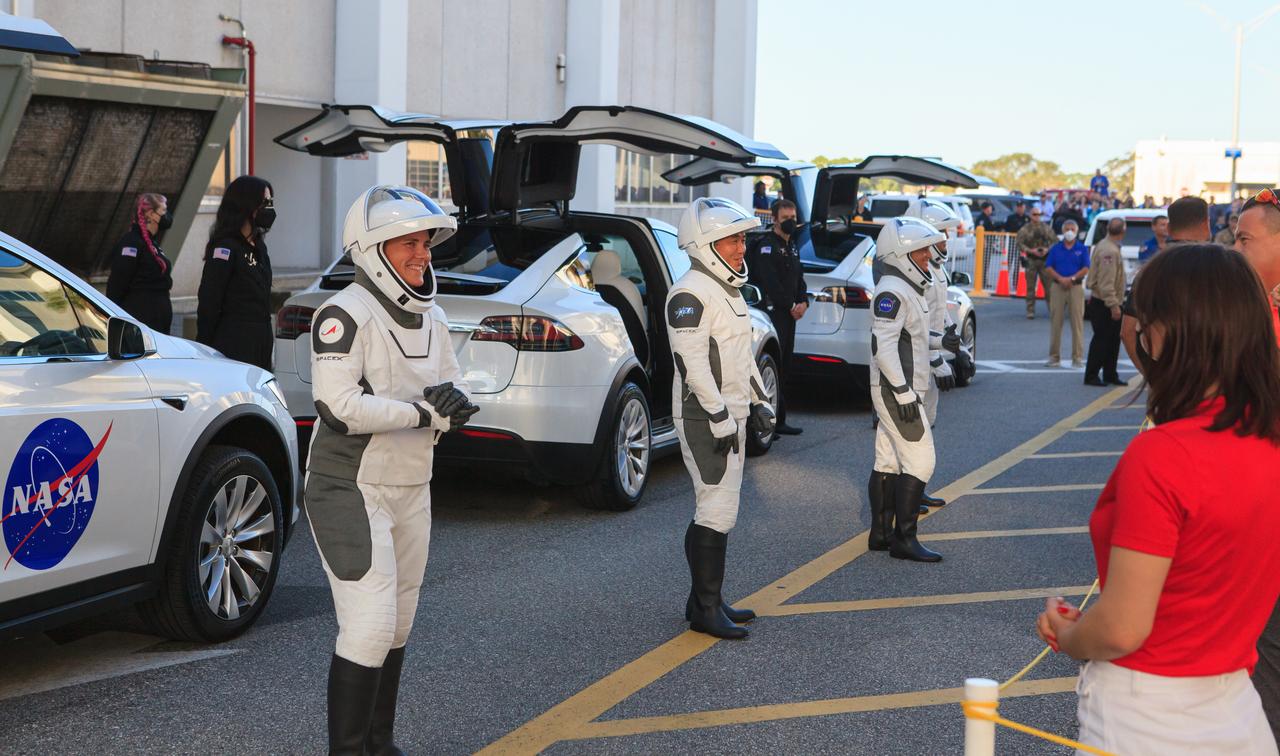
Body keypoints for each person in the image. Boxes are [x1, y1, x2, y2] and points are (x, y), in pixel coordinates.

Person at [1035, 243, 1280, 755]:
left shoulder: (1164, 453)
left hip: (1146, 712)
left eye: (1141, 317)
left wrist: (1069, 634)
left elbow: (1122, 627)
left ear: (1170, 330)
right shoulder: (1268, 440)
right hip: (1237, 706)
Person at [308, 185, 479, 754]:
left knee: (399, 626)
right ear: (372, 250)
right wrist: (422, 412)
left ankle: (379, 744)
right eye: (407, 242)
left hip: (412, 484)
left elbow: (451, 387)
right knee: (371, 627)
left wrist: (455, 408)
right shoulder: (342, 314)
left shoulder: (434, 317)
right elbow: (337, 407)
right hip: (349, 487)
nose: (422, 254)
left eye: (425, 242)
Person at [667, 197, 775, 640]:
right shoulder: (690, 292)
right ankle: (705, 610)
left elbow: (740, 357)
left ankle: (705, 599)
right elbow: (690, 364)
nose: (740, 248)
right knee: (716, 506)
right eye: (732, 239)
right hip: (704, 416)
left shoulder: (726, 291)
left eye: (742, 238)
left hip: (731, 414)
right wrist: (718, 416)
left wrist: (761, 400)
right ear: (705, 242)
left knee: (719, 507)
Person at [866, 217, 946, 564]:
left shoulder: (904, 288)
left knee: (887, 458)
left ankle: (881, 534)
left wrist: (945, 342)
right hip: (896, 391)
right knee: (921, 459)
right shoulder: (891, 292)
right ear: (902, 254)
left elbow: (910, 337)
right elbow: (883, 348)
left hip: (900, 388)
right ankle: (904, 538)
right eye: (921, 250)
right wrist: (902, 393)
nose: (928, 256)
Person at [902, 200, 964, 510]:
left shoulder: (936, 270)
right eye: (941, 233)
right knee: (914, 432)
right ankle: (906, 497)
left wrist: (960, 348)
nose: (946, 240)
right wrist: (937, 361)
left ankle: (918, 489)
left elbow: (942, 315)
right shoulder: (915, 274)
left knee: (928, 426)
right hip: (918, 362)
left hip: (934, 356)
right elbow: (917, 328)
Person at [1122, 198, 1212, 371]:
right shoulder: (1222, 268)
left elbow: (1127, 332)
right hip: (1209, 377)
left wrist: (1150, 375)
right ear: (1206, 225)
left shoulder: (1149, 271)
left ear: (1169, 228)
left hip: (1164, 373)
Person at [196, 175, 276, 371]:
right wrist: (203, 347)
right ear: (247, 204)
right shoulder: (225, 248)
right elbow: (209, 300)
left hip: (261, 336)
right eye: (264, 202)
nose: (269, 208)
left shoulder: (259, 247)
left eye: (271, 202)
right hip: (235, 340)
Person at [746, 199, 807, 435]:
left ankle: (780, 420)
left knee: (785, 367)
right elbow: (771, 282)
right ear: (774, 219)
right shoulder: (767, 246)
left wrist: (803, 302)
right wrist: (791, 304)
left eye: (793, 217)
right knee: (773, 366)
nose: (791, 222)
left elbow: (799, 278)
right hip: (773, 314)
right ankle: (767, 422)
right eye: (785, 219)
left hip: (790, 314)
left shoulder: (792, 245)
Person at [105, 193, 174, 333]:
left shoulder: (151, 243)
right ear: (150, 214)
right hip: (141, 321)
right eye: (163, 211)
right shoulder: (131, 243)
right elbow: (118, 283)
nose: (167, 216)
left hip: (157, 320)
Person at [1083, 217, 1126, 387]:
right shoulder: (1110, 251)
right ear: (1123, 231)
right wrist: (1114, 306)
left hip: (1104, 299)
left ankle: (1110, 373)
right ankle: (1092, 375)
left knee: (1113, 340)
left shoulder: (1105, 245)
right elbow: (1106, 283)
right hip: (1105, 302)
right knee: (1102, 339)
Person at [1044, 219, 1089, 368]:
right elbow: (1049, 267)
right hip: (1058, 287)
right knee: (1056, 322)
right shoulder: (1056, 248)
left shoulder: (1081, 248)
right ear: (1063, 231)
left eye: (1072, 229)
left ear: (1076, 232)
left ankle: (1077, 358)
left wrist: (1072, 278)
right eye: (1067, 229)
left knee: (1077, 323)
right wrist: (1061, 279)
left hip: (1075, 287)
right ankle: (1054, 357)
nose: (1069, 231)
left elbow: (1086, 267)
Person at [1016, 206, 1057, 319]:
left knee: (1049, 288)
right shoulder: (1025, 229)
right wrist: (1031, 251)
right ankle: (1030, 311)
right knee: (1030, 288)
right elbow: (1019, 243)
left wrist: (1047, 250)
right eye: (1034, 214)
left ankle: (1052, 310)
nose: (1037, 217)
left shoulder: (1046, 228)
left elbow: (1055, 241)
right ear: (1030, 215)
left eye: (1039, 215)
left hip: (1045, 261)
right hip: (1031, 260)